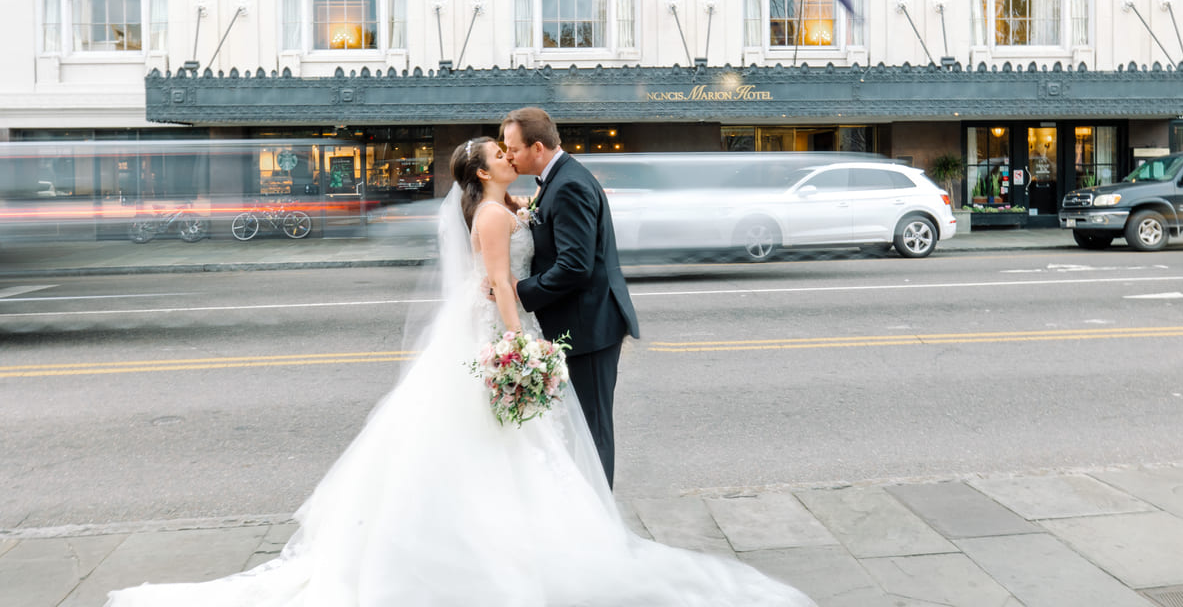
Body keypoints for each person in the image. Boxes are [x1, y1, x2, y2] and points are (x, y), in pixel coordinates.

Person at [103, 137, 814, 606]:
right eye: (498, 155)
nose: (508, 157)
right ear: (482, 172)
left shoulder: (502, 207)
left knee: (503, 447)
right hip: (498, 332)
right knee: (506, 447)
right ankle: (506, 549)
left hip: (484, 331)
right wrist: (519, 347)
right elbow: (503, 285)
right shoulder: (497, 218)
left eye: (510, 149)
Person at [501, 106, 636, 488]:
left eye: (513, 148)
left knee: (593, 429)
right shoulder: (557, 178)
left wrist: (519, 290)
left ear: (538, 147)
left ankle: (601, 522)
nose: (509, 155)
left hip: (590, 326)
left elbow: (575, 266)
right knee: (582, 426)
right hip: (582, 323)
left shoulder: (569, 184)